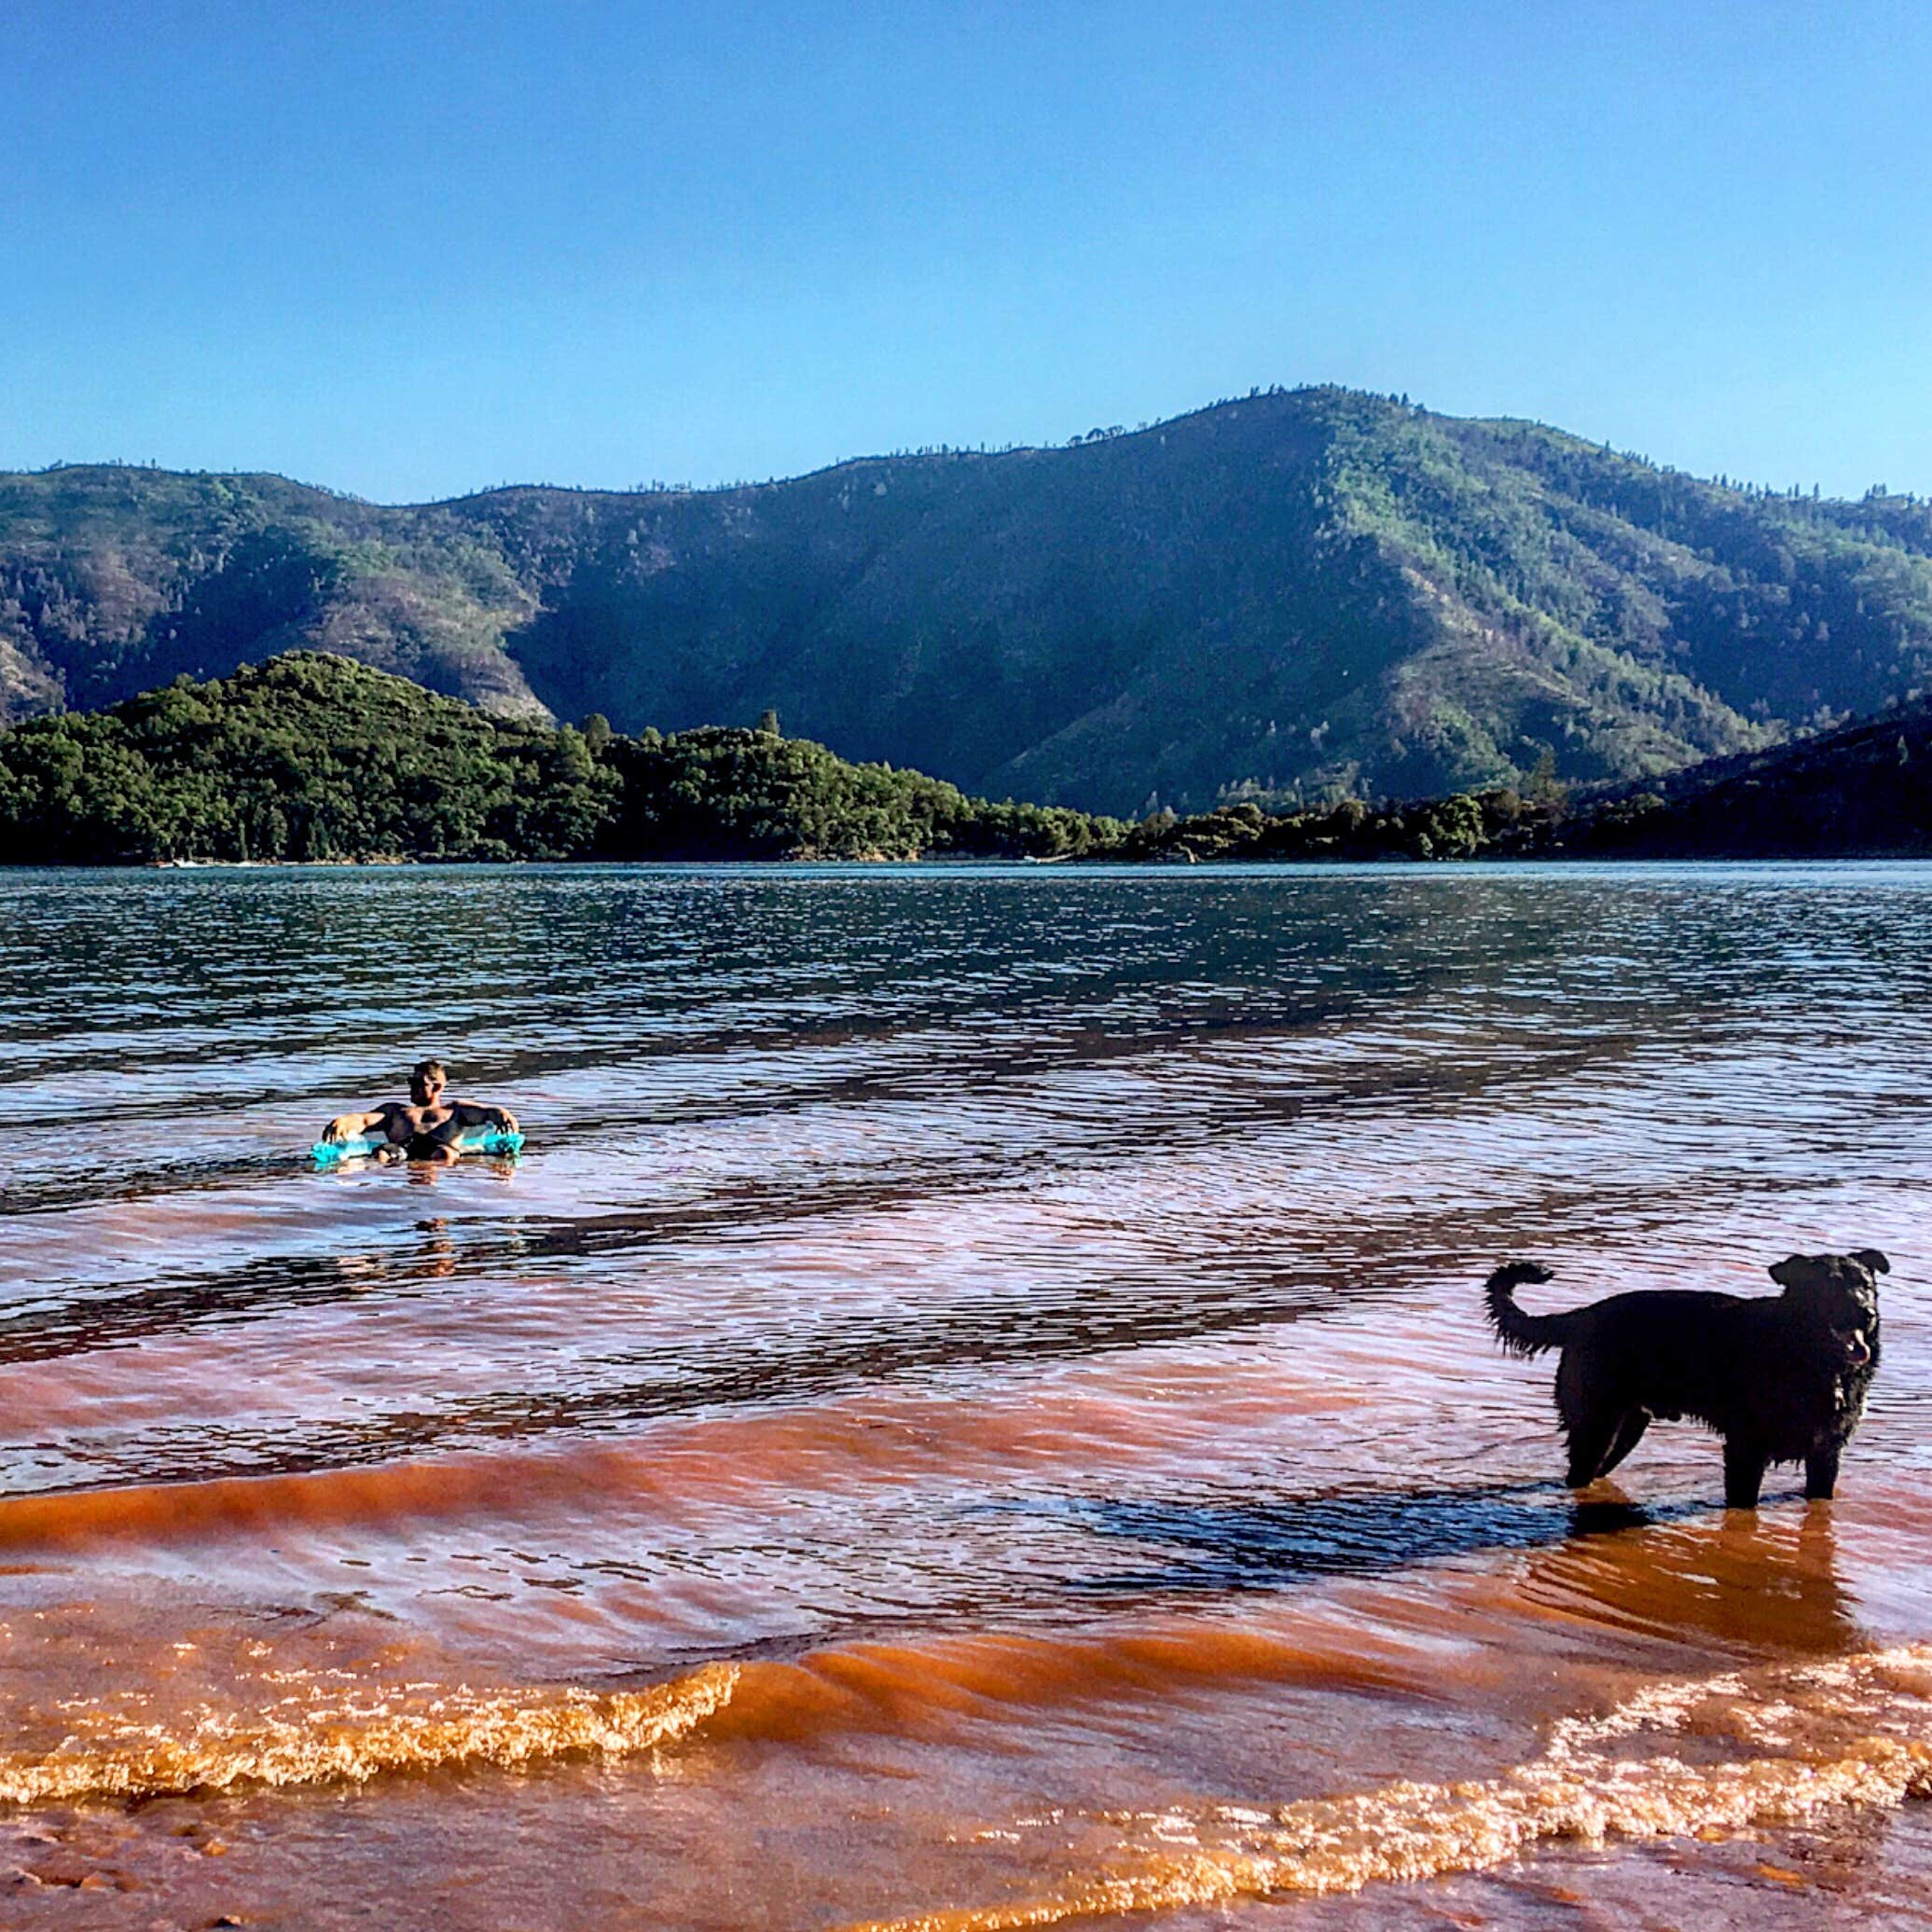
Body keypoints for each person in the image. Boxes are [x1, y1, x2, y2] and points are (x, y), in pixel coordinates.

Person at [322, 1059, 519, 1163]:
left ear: (437, 1087)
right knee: (383, 1154)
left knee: (445, 1154)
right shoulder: (396, 1111)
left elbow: (487, 1113)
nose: (412, 1087)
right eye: (411, 1081)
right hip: (401, 1150)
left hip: (440, 1151)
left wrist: (502, 1113)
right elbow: (364, 1120)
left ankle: (431, 1193)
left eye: (418, 1083)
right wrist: (344, 1121)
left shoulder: (455, 1111)